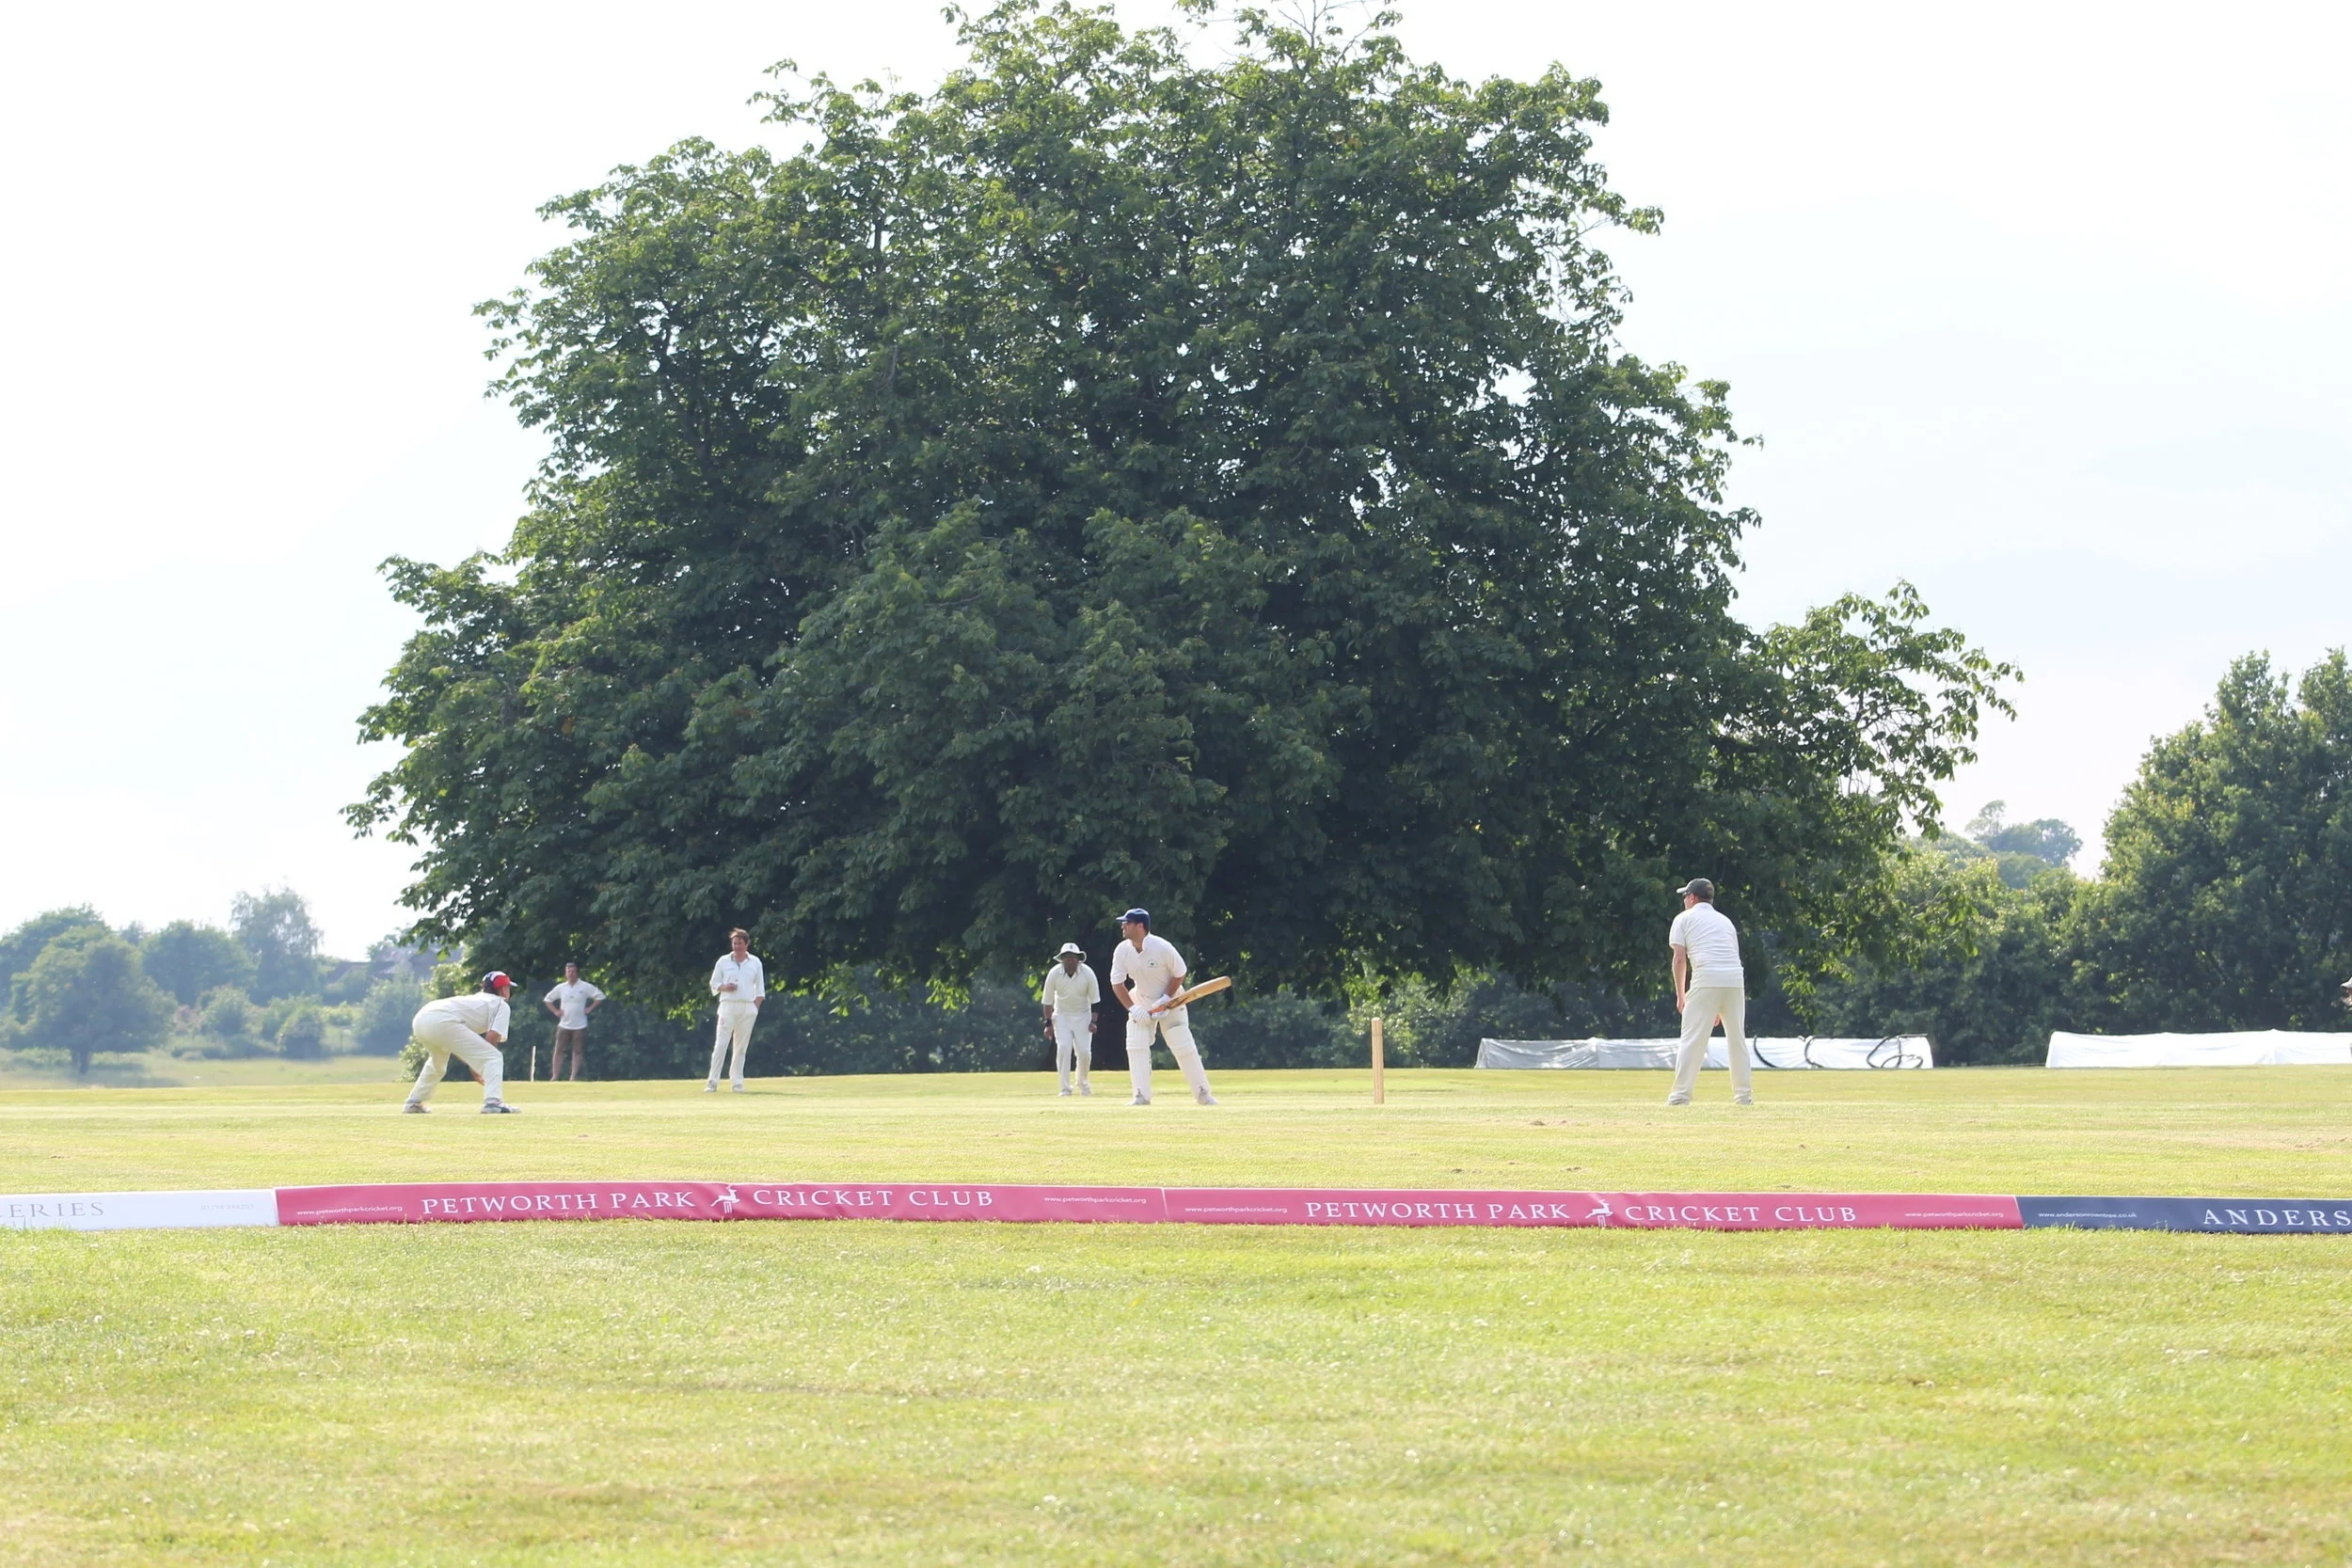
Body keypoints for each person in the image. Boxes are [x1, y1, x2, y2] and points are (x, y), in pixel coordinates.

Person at [1107, 908, 1216, 1106]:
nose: (1123, 926)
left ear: (1140, 926)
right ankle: (1140, 1095)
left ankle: (1203, 1094)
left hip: (1172, 1000)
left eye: (1127, 922)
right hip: (1141, 999)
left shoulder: (1162, 947)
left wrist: (1166, 998)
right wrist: (1133, 1009)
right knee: (1135, 1041)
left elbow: (1180, 972)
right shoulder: (1122, 950)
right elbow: (1117, 983)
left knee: (1180, 1040)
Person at [1666, 879, 1752, 1106]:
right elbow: (1731, 954)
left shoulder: (1683, 918)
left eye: (1685, 896)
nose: (1684, 900)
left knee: (1692, 1039)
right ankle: (1744, 1097)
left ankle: (1679, 1097)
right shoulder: (1725, 921)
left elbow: (1679, 959)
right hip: (1734, 980)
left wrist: (1680, 994)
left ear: (1692, 898)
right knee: (1737, 1039)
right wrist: (1717, 1006)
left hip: (1707, 979)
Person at [402, 972, 522, 1115]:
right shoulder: (500, 1004)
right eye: (508, 988)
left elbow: (458, 1043)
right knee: (493, 1057)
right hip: (442, 1020)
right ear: (502, 989)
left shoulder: (477, 1001)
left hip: (422, 1018)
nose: (509, 991)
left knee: (437, 1064)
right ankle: (493, 1103)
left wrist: (473, 1063)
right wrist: (476, 1063)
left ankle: (413, 1102)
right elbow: (492, 1037)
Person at [707, 928, 765, 1093]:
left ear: (747, 944)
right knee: (721, 1044)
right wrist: (725, 987)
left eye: (740, 943)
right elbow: (714, 983)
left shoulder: (755, 962)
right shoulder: (723, 961)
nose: (737, 946)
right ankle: (712, 1082)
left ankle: (737, 1083)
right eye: (734, 943)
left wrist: (755, 1008)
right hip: (728, 1005)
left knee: (741, 1047)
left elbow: (760, 989)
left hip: (747, 1007)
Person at [1040, 942, 1100, 1096]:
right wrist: (1048, 1023)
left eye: (1073, 957)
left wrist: (1093, 1021)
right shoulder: (1054, 974)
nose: (1070, 960)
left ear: (1079, 959)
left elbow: (1095, 1000)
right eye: (1066, 957)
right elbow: (1047, 1001)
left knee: (1085, 1052)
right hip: (1062, 1016)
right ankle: (1065, 1088)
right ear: (1062, 959)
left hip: (1083, 1015)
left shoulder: (1088, 974)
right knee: (1064, 1048)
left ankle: (1083, 1083)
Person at [541, 961, 605, 1082]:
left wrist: (590, 1008)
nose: (571, 973)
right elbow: (548, 999)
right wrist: (556, 1011)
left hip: (580, 1025)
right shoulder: (561, 988)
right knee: (558, 1050)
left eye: (573, 971)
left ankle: (573, 1077)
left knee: (577, 1051)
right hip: (564, 1024)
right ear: (565, 973)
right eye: (568, 971)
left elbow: (600, 996)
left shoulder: (584, 986)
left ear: (577, 972)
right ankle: (555, 1076)